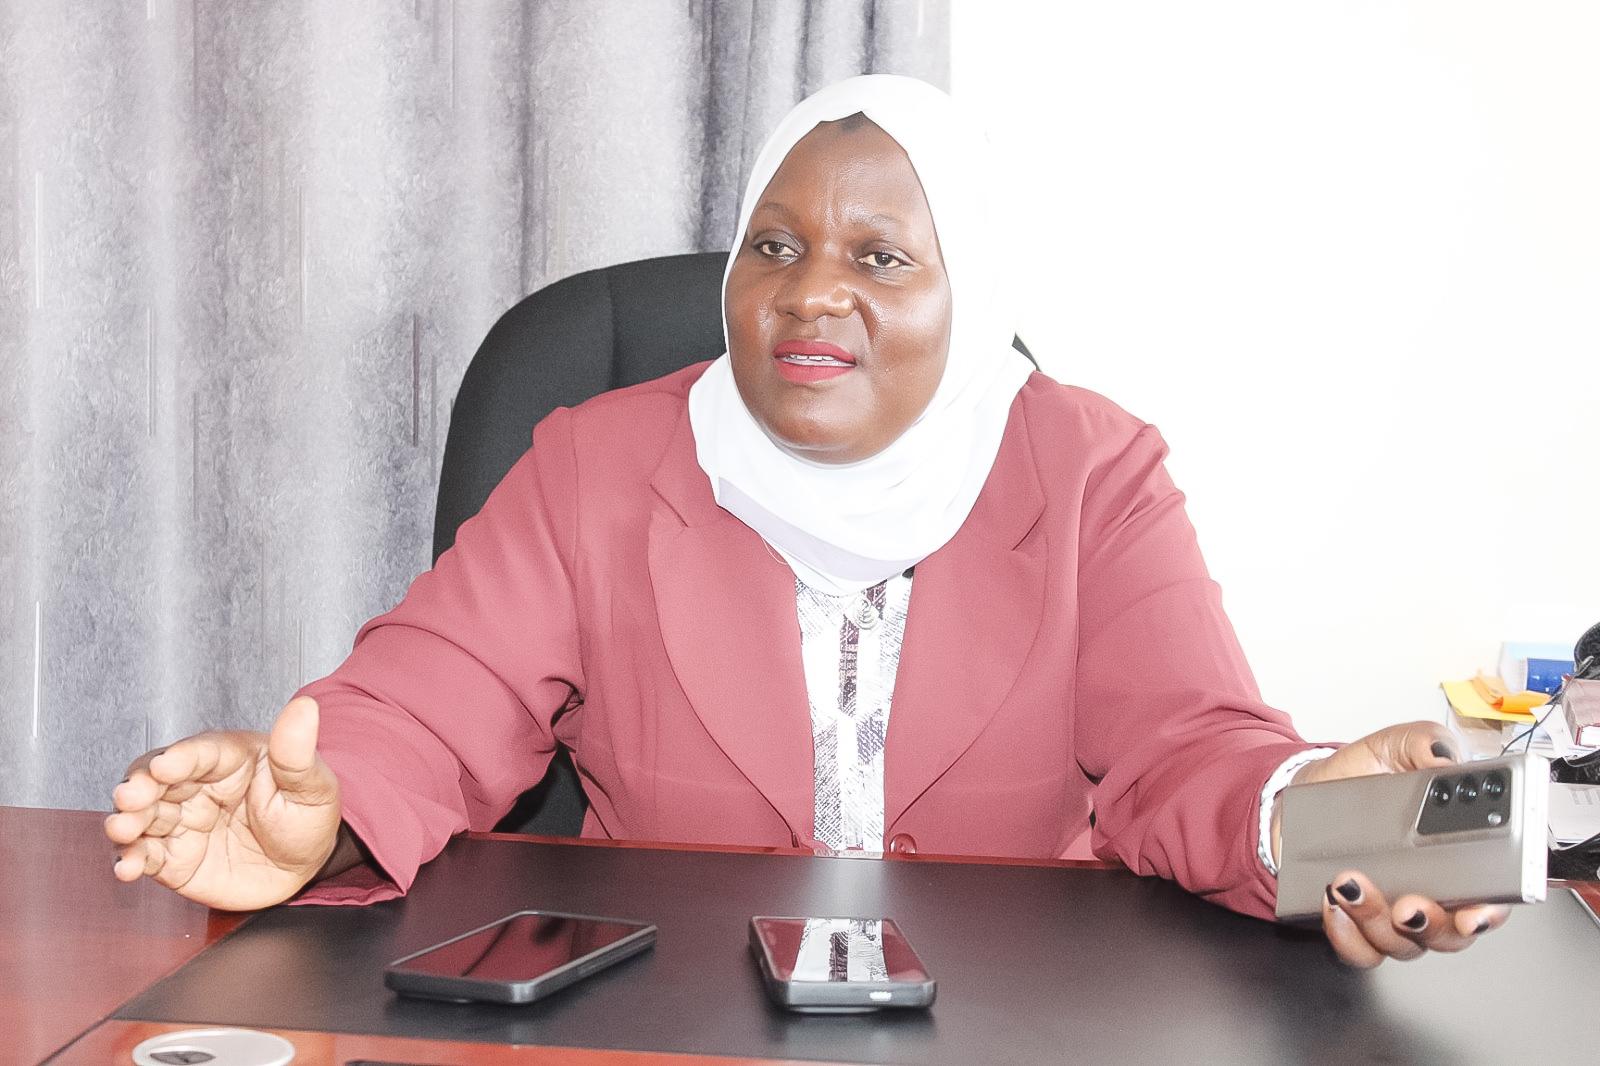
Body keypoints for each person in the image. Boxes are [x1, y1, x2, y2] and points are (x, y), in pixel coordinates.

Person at [107, 75, 1505, 969]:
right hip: (664, 1020)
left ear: (972, 294)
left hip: (1004, 1025)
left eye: (880, 257)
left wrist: (1323, 821)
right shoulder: (603, 459)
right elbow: (429, 702)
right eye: (773, 246)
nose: (807, 294)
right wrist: (317, 815)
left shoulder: (1090, 468)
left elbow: (1187, 749)